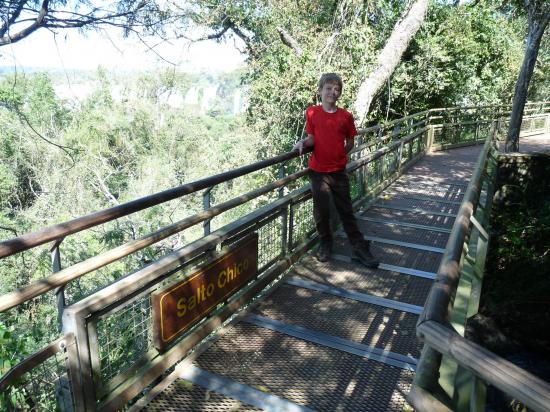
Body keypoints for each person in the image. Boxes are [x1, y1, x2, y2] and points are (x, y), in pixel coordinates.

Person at [293, 73, 379, 268]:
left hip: (338, 171)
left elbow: (350, 141)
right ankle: (326, 242)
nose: (333, 92)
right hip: (317, 171)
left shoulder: (345, 116)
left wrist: (341, 154)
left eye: (336, 89)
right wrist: (302, 143)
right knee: (321, 212)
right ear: (320, 90)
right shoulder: (312, 112)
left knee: (345, 210)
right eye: (329, 88)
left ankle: (359, 247)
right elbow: (312, 138)